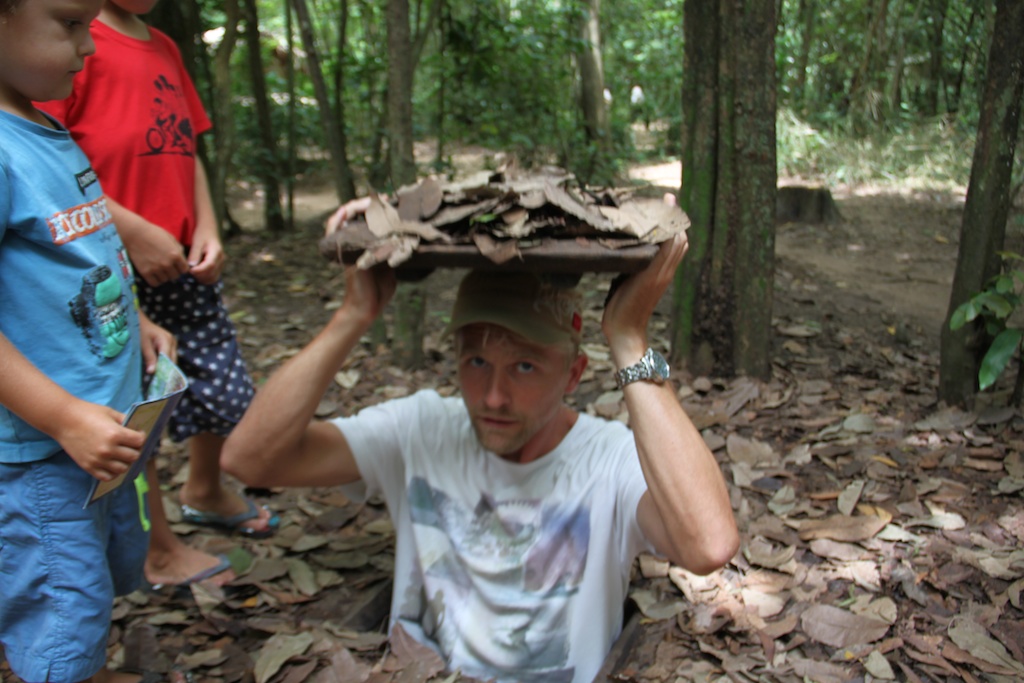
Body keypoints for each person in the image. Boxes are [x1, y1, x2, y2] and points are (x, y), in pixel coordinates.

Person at [222, 203, 740, 682]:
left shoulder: (610, 458)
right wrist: (351, 316)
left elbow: (708, 545)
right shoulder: (420, 429)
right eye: (476, 362)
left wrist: (631, 340)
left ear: (573, 374)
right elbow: (250, 459)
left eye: (524, 366)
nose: (493, 396)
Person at [38, 0, 278, 590]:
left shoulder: (166, 47)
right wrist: (129, 231)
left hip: (181, 259)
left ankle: (204, 487)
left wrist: (210, 226)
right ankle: (158, 546)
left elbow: (185, 146)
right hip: (107, 265)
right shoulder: (62, 36)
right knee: (135, 411)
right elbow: (51, 160)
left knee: (221, 387)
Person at [0, 0, 178, 679]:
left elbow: (83, 258)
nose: (91, 46)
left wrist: (135, 324)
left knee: (89, 580)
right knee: (67, 610)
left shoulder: (45, 129)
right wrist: (63, 416)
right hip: (42, 452)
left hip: (101, 437)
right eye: (70, 24)